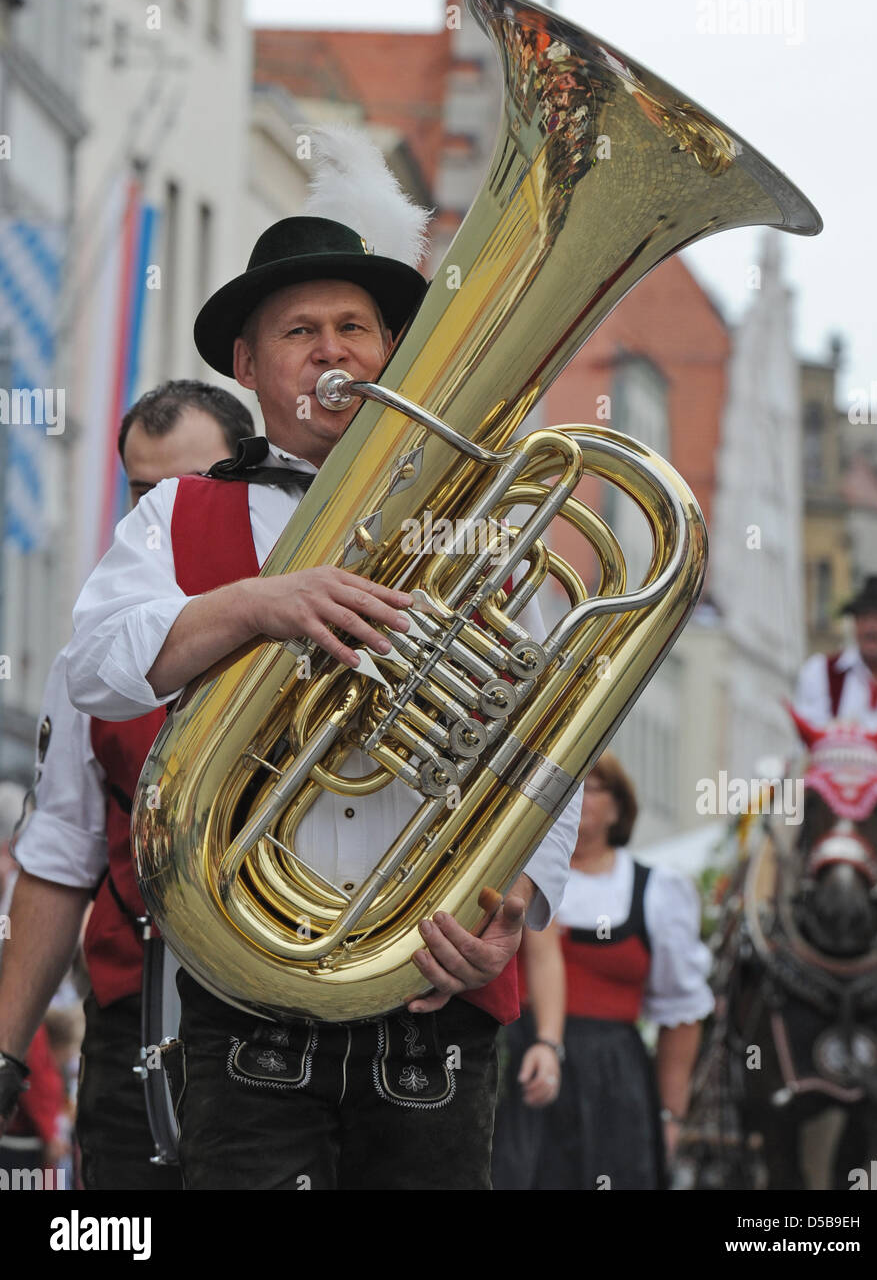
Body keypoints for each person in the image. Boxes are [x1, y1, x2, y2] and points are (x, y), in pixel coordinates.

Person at [61, 130, 582, 1191]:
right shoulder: (179, 512)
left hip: (428, 991)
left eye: (355, 327)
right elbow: (95, 668)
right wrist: (258, 603)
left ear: (392, 355)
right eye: (299, 331)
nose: (332, 350)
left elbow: (551, 737)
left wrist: (513, 900)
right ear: (248, 368)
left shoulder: (478, 522)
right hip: (245, 991)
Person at [0, 380, 255, 1189]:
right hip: (131, 1020)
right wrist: (6, 1051)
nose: (159, 511)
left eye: (188, 485)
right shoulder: (96, 647)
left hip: (284, 1032)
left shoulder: (304, 609)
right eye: (141, 490)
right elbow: (61, 854)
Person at [492, 751, 713, 1190]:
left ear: (618, 807)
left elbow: (681, 1015)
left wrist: (670, 1116)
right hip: (520, 1061)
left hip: (612, 1077)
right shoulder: (513, 876)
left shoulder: (656, 891)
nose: (574, 798)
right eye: (566, 786)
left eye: (590, 788)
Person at [793, 574, 877, 775]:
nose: (872, 628)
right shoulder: (820, 671)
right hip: (833, 787)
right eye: (864, 618)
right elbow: (809, 745)